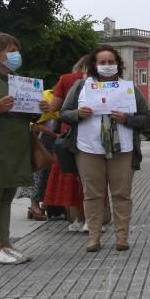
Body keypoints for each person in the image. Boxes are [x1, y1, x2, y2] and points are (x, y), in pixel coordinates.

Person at [60, 45, 150, 252]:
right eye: (103, 62)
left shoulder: (128, 88)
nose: (107, 66)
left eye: (111, 62)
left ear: (118, 64)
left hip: (123, 148)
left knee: (121, 194)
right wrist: (78, 114)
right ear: (94, 65)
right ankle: (93, 237)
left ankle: (122, 237)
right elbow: (64, 113)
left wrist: (127, 119)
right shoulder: (82, 85)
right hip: (88, 147)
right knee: (92, 194)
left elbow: (146, 117)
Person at [0, 33, 42, 264]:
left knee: (7, 196)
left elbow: (29, 114)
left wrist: (39, 107)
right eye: (10, 51)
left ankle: (4, 243)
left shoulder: (17, 80)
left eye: (16, 50)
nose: (15, 55)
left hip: (16, 146)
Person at [46, 54, 91, 231]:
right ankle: (91, 219)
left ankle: (78, 219)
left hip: (69, 132)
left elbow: (54, 107)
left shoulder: (66, 79)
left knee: (71, 176)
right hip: (92, 132)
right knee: (92, 178)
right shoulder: (101, 82)